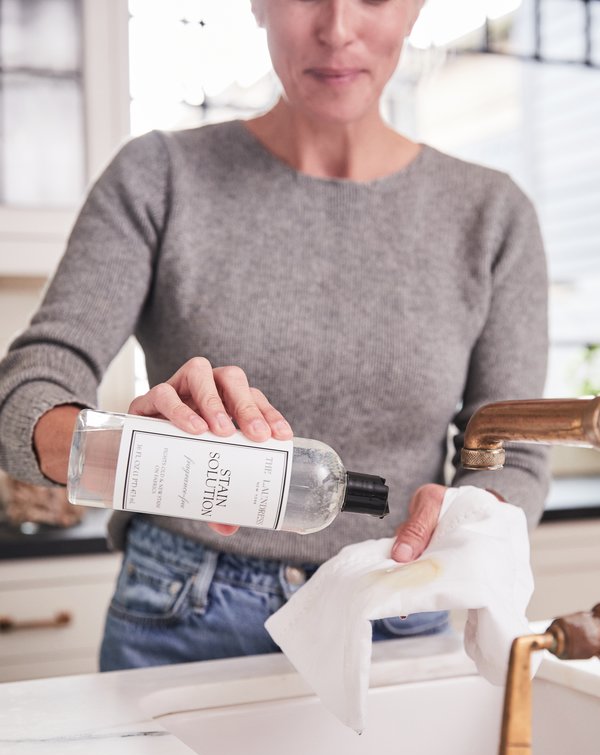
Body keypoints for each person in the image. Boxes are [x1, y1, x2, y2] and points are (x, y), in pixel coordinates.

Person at [0, 0, 549, 671]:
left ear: (416, 8)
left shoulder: (493, 217)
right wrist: (117, 450)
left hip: (399, 612)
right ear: (258, 4)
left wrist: (470, 513)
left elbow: (515, 460)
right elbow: (28, 395)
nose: (337, 28)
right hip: (179, 614)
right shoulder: (160, 177)